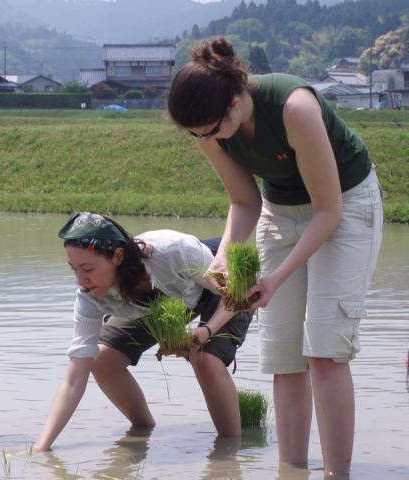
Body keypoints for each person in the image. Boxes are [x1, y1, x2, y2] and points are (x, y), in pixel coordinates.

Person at [166, 37, 383, 476]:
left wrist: (277, 277)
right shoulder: (208, 128)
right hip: (280, 210)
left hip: (344, 204)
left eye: (208, 130)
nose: (204, 140)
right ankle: (291, 470)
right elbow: (245, 202)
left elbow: (328, 211)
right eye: (196, 134)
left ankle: (336, 473)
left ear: (233, 102)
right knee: (285, 358)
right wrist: (224, 256)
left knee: (324, 352)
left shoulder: (293, 107)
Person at [35, 212, 253, 451]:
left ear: (117, 256)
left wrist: (207, 330)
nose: (80, 280)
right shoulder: (89, 297)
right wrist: (42, 448)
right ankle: (143, 432)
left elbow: (235, 293)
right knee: (103, 360)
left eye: (87, 268)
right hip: (160, 303)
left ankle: (229, 455)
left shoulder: (173, 251)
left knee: (205, 359)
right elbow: (74, 379)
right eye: (73, 269)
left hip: (223, 287)